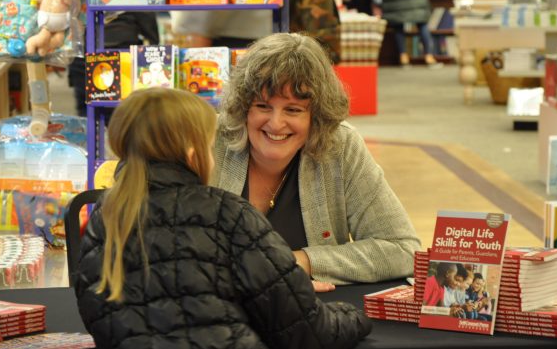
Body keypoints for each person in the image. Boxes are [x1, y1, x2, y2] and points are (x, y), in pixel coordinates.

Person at [74, 88, 372, 348]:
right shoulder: (228, 213)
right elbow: (307, 333)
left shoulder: (104, 219)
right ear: (193, 154)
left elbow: (98, 317)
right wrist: (356, 316)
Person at [213, 33, 421, 291]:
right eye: (263, 106)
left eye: (293, 110)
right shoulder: (210, 141)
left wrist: (298, 263)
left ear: (318, 115)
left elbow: (403, 249)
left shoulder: (340, 145)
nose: (276, 123)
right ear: (243, 107)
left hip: (311, 316)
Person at [68, 12, 160, 116]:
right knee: (127, 116)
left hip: (84, 55)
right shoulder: (131, 2)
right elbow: (151, 33)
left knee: (90, 115)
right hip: (121, 55)